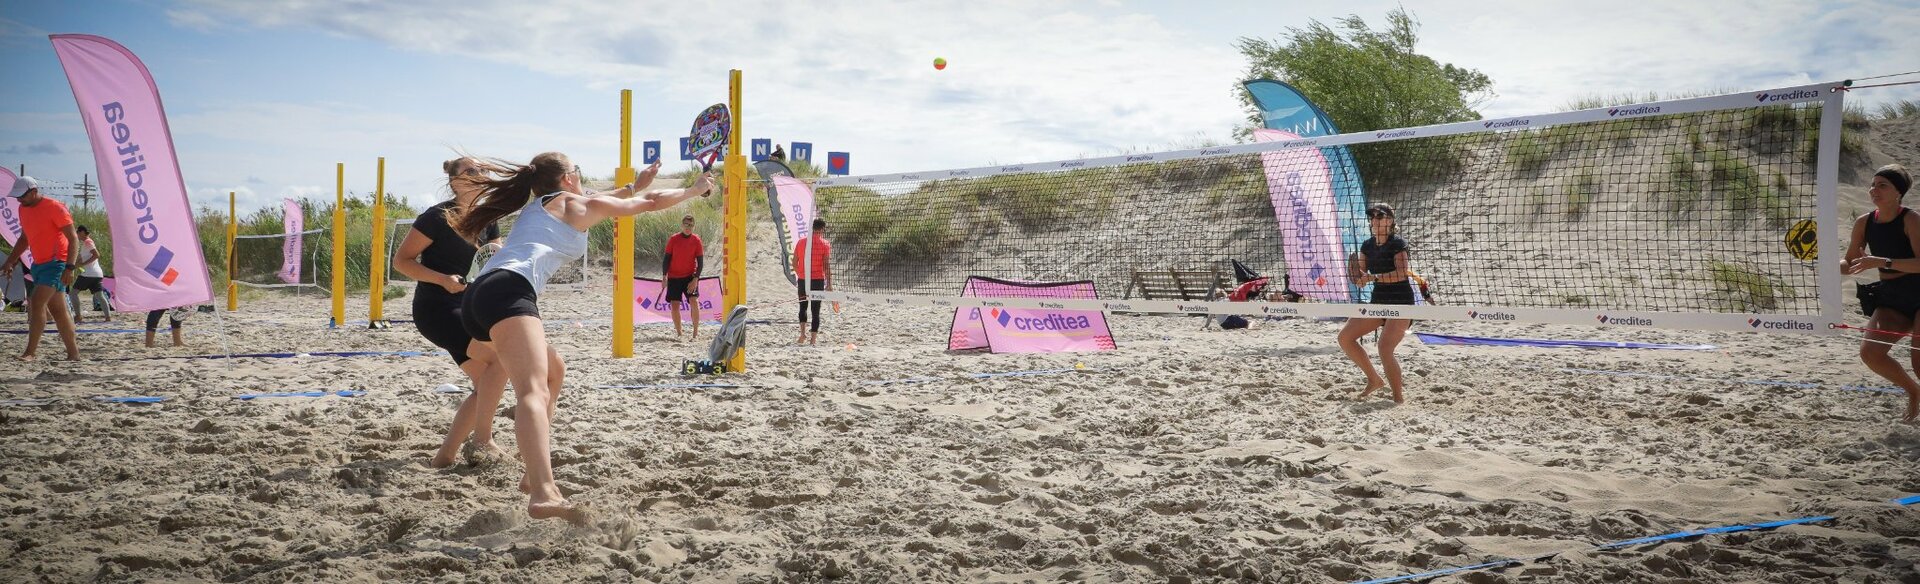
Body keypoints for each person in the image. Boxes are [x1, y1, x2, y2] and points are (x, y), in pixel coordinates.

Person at [450, 153, 709, 522]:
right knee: (532, 391)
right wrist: (693, 189)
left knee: (554, 369)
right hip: (507, 292)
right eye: (578, 172)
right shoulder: (575, 203)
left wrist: (636, 184)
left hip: (481, 296)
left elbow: (615, 198)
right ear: (569, 178)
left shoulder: (541, 204)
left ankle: (531, 473)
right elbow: (645, 205)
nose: (582, 178)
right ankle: (543, 493)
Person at [394, 157, 511, 467]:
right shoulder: (436, 217)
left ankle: (444, 458)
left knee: (486, 381)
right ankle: (482, 440)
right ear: (454, 181)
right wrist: (442, 279)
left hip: (470, 307)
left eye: (482, 170)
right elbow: (402, 261)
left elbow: (492, 260)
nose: (479, 175)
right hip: (437, 308)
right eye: (470, 171)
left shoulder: (488, 218)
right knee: (501, 360)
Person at [1843, 163, 1920, 423]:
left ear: (1898, 192)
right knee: (1870, 353)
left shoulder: (1911, 219)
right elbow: (1850, 262)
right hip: (1891, 294)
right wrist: (1833, 266)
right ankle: (1914, 393)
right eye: (1873, 185)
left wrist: (1881, 261)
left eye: (1882, 185)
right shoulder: (1864, 222)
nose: (1874, 189)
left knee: (1919, 361)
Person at [1338, 202, 1413, 404]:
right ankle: (1374, 379)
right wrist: (1358, 277)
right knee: (1345, 337)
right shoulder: (1367, 245)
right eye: (1372, 217)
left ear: (1390, 221)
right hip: (1379, 301)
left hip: (1400, 303)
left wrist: (1372, 278)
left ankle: (1398, 399)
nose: (1374, 220)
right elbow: (1361, 275)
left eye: (1379, 216)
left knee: (1384, 348)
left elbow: (1401, 274)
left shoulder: (1398, 244)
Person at [0, 176, 81, 361]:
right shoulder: (23, 209)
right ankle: (74, 354)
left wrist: (70, 267)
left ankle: (30, 353)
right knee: (59, 310)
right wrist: (10, 261)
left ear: (34, 191)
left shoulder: (55, 207)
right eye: (17, 197)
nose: (19, 200)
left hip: (57, 263)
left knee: (36, 302)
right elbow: (24, 239)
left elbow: (73, 238)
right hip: (39, 265)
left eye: (22, 196)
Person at [661, 213, 704, 340]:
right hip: (674, 277)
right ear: (682, 225)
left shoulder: (696, 240)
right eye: (686, 224)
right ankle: (679, 333)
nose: (688, 227)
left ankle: (695, 332)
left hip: (690, 276)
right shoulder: (674, 239)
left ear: (693, 226)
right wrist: (664, 277)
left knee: (694, 301)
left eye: (690, 225)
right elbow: (666, 259)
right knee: (675, 305)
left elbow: (700, 262)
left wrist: (696, 279)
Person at [793, 217, 831, 345]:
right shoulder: (825, 244)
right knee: (816, 310)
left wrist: (801, 274)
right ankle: (813, 339)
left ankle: (802, 335)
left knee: (802, 307)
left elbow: (794, 263)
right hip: (817, 280)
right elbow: (826, 265)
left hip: (803, 279)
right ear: (822, 229)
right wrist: (829, 283)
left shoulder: (801, 242)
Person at [68, 224, 110, 323]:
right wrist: (74, 266)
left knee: (73, 293)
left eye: (77, 232)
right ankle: (108, 317)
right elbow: (79, 260)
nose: (76, 234)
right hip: (97, 274)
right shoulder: (85, 244)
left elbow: (96, 255)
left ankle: (78, 316)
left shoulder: (88, 241)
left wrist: (83, 264)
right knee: (100, 295)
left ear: (82, 232)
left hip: (89, 274)